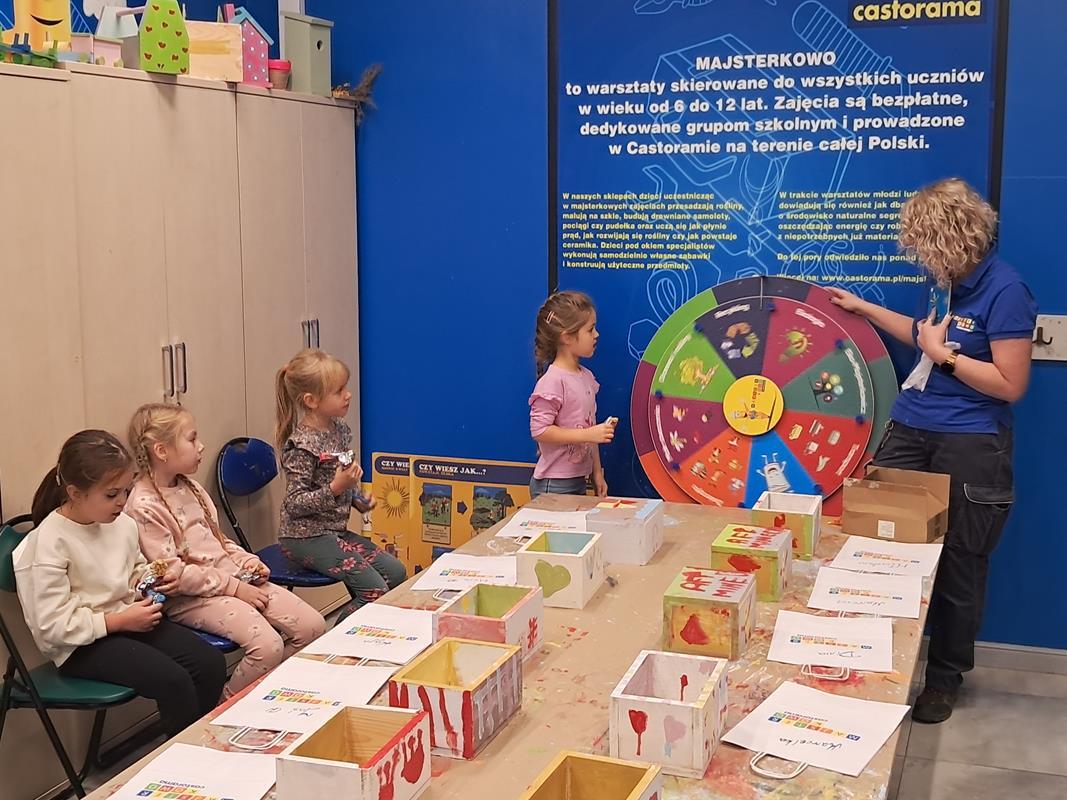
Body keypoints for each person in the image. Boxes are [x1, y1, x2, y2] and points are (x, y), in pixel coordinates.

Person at [829, 177, 1037, 724]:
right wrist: (863, 308)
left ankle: (943, 680)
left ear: (951, 237)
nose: (917, 253)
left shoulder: (1006, 290)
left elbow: (1010, 383)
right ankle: (872, 664)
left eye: (922, 241)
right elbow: (925, 335)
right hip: (912, 427)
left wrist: (944, 357)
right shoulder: (945, 281)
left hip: (971, 442)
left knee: (960, 563)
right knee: (879, 549)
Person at [14, 431, 226, 737]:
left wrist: (150, 578)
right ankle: (183, 757)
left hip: (127, 621)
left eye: (126, 490)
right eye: (112, 495)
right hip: (80, 644)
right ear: (75, 493)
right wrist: (117, 621)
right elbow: (52, 627)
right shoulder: (48, 543)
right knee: (174, 682)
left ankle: (194, 744)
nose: (122, 502)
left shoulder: (121, 523)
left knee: (210, 664)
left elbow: (133, 570)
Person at [126, 404, 325, 698]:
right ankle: (224, 707)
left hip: (234, 581)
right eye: (192, 438)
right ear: (162, 450)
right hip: (192, 598)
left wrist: (247, 562)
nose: (201, 446)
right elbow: (173, 575)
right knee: (268, 647)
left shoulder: (191, 488)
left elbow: (219, 541)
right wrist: (235, 588)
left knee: (313, 627)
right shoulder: (144, 505)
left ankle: (266, 696)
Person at [275, 349, 407, 621]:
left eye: (346, 387)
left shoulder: (340, 430)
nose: (348, 395)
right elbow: (294, 504)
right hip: (304, 537)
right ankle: (337, 638)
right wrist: (336, 488)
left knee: (396, 573)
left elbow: (341, 477)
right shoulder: (301, 446)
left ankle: (365, 633)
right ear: (311, 401)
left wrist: (357, 498)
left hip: (334, 531)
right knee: (374, 590)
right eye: (338, 391)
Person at [528, 290, 617, 498]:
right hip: (553, 484)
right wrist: (589, 434)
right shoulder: (552, 381)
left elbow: (590, 427)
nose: (596, 335)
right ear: (567, 337)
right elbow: (540, 430)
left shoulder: (586, 377)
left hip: (577, 480)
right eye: (590, 330)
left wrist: (597, 472)